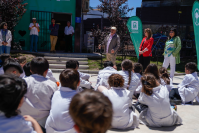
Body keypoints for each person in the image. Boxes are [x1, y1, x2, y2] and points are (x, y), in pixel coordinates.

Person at [20, 57, 57, 130]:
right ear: (46, 71)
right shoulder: (52, 85)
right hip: (43, 123)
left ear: (30, 70)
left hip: (24, 122)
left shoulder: (22, 82)